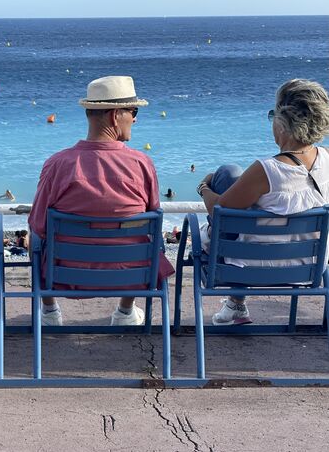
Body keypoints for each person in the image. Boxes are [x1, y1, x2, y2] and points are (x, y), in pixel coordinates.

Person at [28, 76, 174, 326]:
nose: (136, 118)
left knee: (34, 236)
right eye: (134, 111)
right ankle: (126, 313)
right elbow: (152, 214)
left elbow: (39, 224)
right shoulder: (142, 164)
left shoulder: (58, 164)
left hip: (66, 275)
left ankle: (50, 312)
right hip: (131, 274)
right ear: (116, 115)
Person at [197, 79, 329, 325]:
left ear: (283, 122)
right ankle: (235, 306)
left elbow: (219, 211)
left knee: (227, 173)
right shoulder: (327, 160)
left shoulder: (267, 170)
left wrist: (203, 187)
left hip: (248, 268)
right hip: (308, 268)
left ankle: (237, 303)